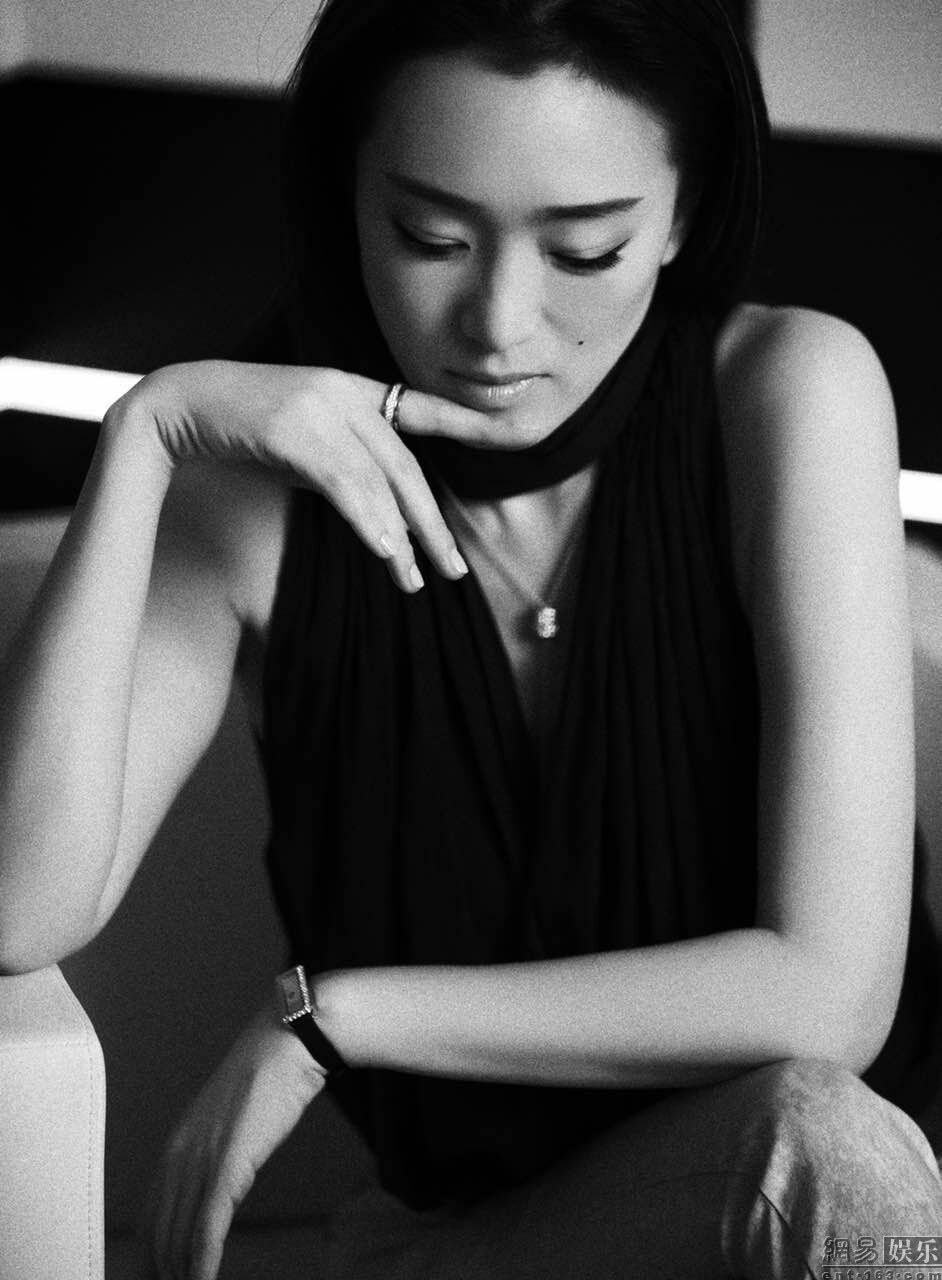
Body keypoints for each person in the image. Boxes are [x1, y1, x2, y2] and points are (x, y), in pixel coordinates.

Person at [2, 0, 941, 1276]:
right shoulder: (250, 503)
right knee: (819, 1148)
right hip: (476, 1243)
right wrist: (146, 432)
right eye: (430, 236)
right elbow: (20, 910)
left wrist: (334, 1019)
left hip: (870, 1220)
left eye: (586, 249)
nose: (499, 322)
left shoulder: (788, 392)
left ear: (683, 215)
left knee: (826, 1142)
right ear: (346, 194)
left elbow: (831, 994)